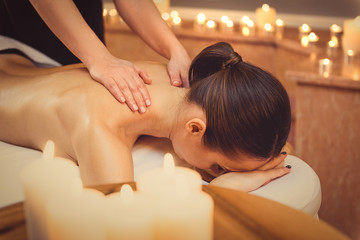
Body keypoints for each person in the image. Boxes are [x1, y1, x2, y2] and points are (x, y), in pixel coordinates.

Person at [0, 42, 292, 191]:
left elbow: (282, 148)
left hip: (17, 58)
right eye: (219, 167)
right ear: (195, 128)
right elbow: (117, 224)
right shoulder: (102, 130)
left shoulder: (176, 82)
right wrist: (223, 189)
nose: (218, 172)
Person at [0, 0, 191, 113]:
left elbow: (134, 3)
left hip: (84, 52)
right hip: (17, 43)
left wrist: (176, 51)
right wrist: (99, 59)